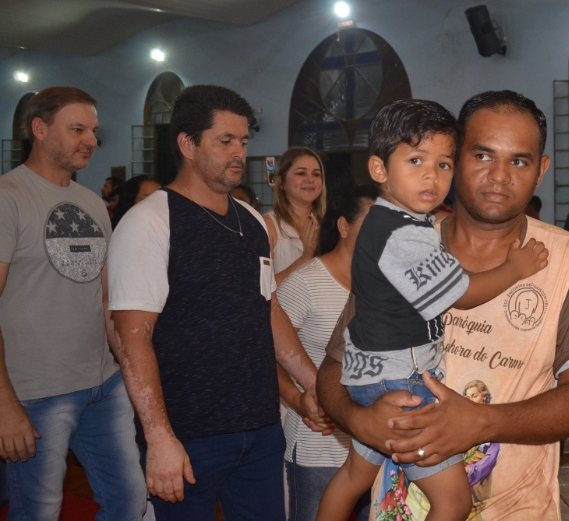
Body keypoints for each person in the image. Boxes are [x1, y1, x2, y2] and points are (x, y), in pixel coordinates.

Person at [316, 90, 569, 520]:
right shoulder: (405, 247)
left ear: (541, 171)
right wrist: (358, 419)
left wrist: (481, 422)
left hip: (518, 510)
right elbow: (335, 366)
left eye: (518, 161)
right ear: (456, 158)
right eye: (482, 156)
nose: (499, 175)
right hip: (396, 509)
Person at [107, 85, 321, 520]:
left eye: (243, 141)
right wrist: (158, 436)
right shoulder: (150, 221)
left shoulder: (252, 221)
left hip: (260, 428)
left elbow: (269, 309)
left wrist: (313, 382)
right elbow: (132, 336)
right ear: (187, 144)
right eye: (225, 141)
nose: (239, 152)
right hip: (188, 436)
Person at [0, 87, 146, 519]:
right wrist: (4, 405)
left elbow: (104, 300)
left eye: (94, 131)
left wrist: (130, 373)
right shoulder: (9, 197)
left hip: (104, 384)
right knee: (40, 510)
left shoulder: (92, 204)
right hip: (35, 392)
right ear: (39, 129)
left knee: (128, 499)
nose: (91, 141)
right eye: (78, 129)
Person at [276, 184, 379, 521]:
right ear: (344, 227)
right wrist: (296, 398)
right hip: (317, 444)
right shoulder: (306, 283)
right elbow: (267, 352)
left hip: (371, 445)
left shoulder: (386, 286)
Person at [265, 147, 327, 286]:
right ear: (281, 183)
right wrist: (306, 257)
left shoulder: (328, 223)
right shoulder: (269, 225)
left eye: (316, 174)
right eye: (301, 173)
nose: (310, 179)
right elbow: (263, 288)